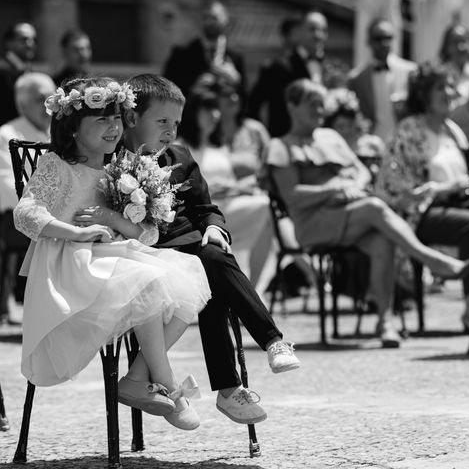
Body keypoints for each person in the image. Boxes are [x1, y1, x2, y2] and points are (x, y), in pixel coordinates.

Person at [12, 77, 211, 431]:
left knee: (191, 275)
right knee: (146, 280)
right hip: (67, 264)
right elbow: (25, 213)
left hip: (114, 257)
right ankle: (166, 381)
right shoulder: (57, 164)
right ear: (73, 128)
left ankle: (138, 378)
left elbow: (147, 235)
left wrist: (112, 218)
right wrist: (77, 231)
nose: (114, 127)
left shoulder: (121, 168)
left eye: (117, 118)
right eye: (101, 119)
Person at [122, 74, 300, 426]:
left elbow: (206, 207)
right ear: (131, 118)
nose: (170, 131)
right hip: (150, 251)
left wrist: (215, 227)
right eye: (161, 121)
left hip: (192, 245)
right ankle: (234, 382)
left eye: (176, 123)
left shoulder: (180, 156)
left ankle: (271, 347)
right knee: (211, 274)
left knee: (214, 259)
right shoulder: (114, 160)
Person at [267, 78, 469, 349]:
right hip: (314, 224)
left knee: (382, 240)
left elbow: (362, 171)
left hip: (352, 215)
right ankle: (429, 258)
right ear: (291, 107)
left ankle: (384, 322)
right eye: (312, 105)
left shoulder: (329, 138)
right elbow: (292, 195)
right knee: (375, 208)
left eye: (321, 105)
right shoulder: (281, 147)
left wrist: (352, 185)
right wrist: (335, 189)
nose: (319, 111)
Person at [376, 63, 469, 334]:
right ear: (423, 94)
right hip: (421, 212)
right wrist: (434, 189)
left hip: (458, 203)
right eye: (440, 87)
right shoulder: (409, 129)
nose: (449, 92)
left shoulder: (453, 130)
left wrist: (456, 186)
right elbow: (392, 182)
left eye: (451, 86)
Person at [176, 79, 274, 292]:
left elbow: (227, 182)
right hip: (200, 216)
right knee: (265, 207)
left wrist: (239, 187)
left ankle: (253, 287)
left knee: (266, 208)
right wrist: (213, 188)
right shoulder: (181, 147)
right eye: (208, 109)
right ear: (194, 112)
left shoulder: (219, 146)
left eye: (215, 109)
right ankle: (245, 289)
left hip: (227, 207)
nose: (215, 115)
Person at [0, 72, 56, 323]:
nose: (49, 104)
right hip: (20, 218)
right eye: (41, 99)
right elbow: (6, 186)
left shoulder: (65, 132)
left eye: (52, 97)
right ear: (22, 104)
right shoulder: (6, 134)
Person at [247, 10, 329, 137]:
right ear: (299, 32)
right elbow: (253, 107)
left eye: (323, 30)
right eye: (312, 29)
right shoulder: (277, 67)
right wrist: (263, 139)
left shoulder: (330, 68)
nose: (318, 35)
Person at [347, 18, 416, 145]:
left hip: (405, 143)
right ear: (369, 41)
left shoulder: (410, 71)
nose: (384, 43)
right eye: (378, 38)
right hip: (372, 146)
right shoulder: (356, 78)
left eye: (389, 38)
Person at [163, 0, 245, 100]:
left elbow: (248, 101)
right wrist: (192, 88)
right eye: (205, 17)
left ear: (226, 19)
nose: (209, 22)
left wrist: (235, 79)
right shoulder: (181, 54)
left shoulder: (236, 56)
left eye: (214, 18)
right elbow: (165, 92)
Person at [0, 23, 37, 126]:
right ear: (9, 43)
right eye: (24, 39)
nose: (30, 44)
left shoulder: (30, 71)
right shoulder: (2, 70)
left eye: (34, 40)